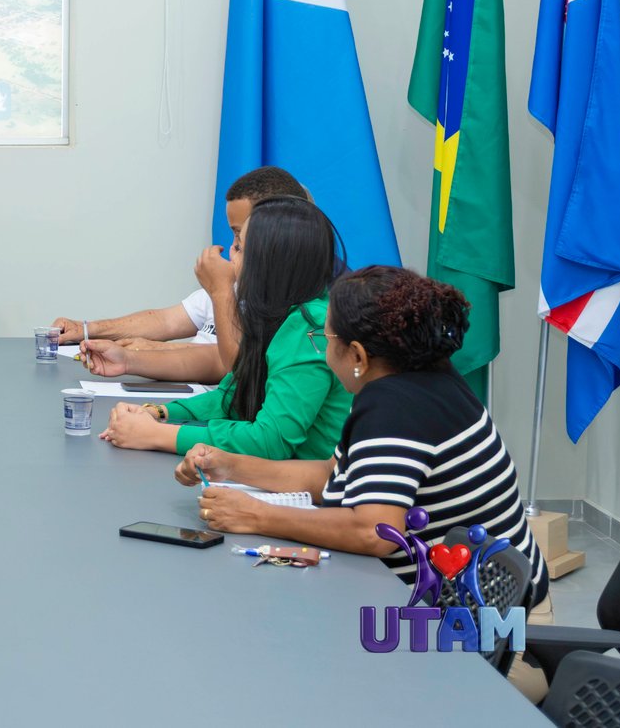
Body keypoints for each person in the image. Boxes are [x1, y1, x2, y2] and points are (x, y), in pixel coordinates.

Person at [176, 266, 548, 607]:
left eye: (326, 339)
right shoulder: (424, 377)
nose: (324, 351)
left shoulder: (394, 407)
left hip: (452, 614)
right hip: (483, 589)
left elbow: (376, 532)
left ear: (357, 355)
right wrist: (231, 466)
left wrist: (258, 516)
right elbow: (332, 476)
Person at [98, 197, 351, 459]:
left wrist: (156, 435)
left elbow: (270, 441)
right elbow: (231, 397)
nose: (230, 256)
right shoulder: (276, 314)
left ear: (268, 264)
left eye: (239, 248)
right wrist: (157, 413)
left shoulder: (309, 326)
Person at [63, 166, 309, 383]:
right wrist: (87, 329)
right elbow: (166, 321)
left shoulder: (292, 307)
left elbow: (231, 364)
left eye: (240, 235)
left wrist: (146, 353)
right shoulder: (235, 282)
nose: (233, 246)